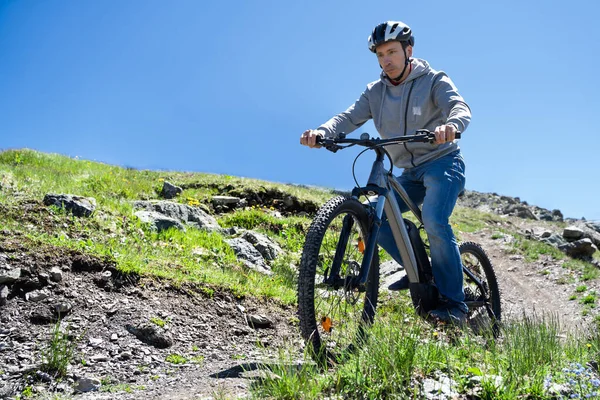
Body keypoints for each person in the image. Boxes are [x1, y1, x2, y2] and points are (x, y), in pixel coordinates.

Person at [300, 20, 471, 326]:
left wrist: (452, 125)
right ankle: (417, 267)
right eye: (380, 55)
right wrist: (323, 132)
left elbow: (458, 106)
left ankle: (455, 303)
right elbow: (349, 117)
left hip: (443, 162)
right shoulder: (375, 92)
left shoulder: (432, 80)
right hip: (408, 171)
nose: (386, 60)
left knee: (433, 218)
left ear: (408, 50)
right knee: (372, 217)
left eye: (392, 52)